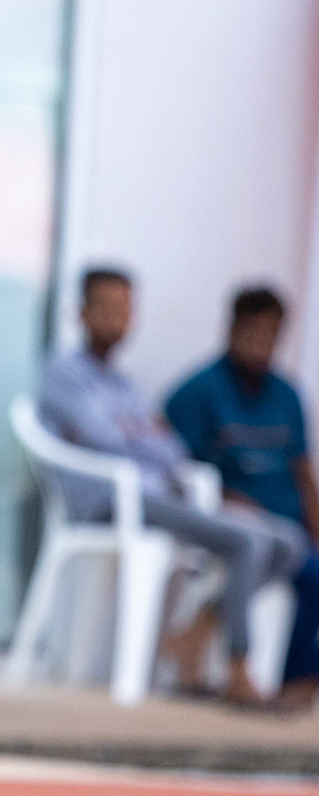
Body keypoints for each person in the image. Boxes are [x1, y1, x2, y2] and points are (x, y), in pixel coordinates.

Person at [38, 269, 307, 706]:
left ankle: (197, 631)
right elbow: (105, 438)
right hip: (112, 501)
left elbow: (170, 449)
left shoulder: (122, 383)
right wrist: (139, 436)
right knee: (245, 540)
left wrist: (135, 435)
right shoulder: (64, 373)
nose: (116, 318)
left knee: (289, 542)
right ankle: (240, 668)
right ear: (81, 312)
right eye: (105, 307)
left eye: (124, 308)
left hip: (159, 496)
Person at [165, 287, 319, 712]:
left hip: (287, 526)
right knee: (254, 542)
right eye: (253, 332)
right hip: (234, 519)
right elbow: (165, 453)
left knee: (311, 567)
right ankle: (239, 668)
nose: (261, 344)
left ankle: (297, 683)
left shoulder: (287, 395)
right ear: (230, 329)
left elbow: (304, 472)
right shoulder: (200, 390)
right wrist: (220, 496)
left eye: (271, 335)